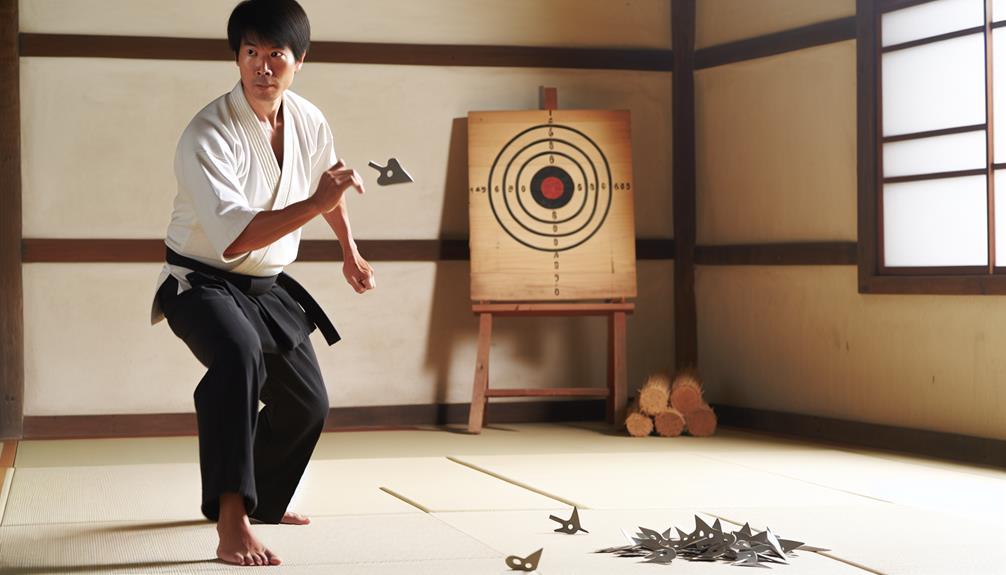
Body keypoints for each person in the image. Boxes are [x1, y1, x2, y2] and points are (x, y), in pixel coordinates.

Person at [150, 0, 374, 566]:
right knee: (238, 357)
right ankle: (231, 522)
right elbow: (234, 238)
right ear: (237, 57)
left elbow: (330, 184)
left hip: (266, 286)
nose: (262, 65)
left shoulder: (307, 118)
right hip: (200, 281)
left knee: (307, 403)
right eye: (251, 52)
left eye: (276, 53)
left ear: (299, 60)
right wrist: (316, 202)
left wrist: (350, 249)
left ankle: (266, 502)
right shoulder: (207, 133)